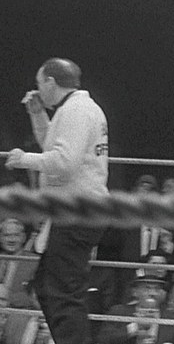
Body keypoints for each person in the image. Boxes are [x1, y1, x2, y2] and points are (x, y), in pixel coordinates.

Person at [4, 58, 108, 344]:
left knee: (63, 293)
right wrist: (37, 114)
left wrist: (24, 159)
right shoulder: (75, 109)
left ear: (50, 82)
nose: (37, 90)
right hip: (76, 212)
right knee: (47, 286)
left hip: (77, 213)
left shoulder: (76, 110)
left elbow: (64, 163)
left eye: (39, 84)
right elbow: (53, 146)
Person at [96, 274, 174, 344]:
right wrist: (135, 327)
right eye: (147, 288)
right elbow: (103, 339)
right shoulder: (119, 312)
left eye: (157, 289)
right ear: (135, 292)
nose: (152, 293)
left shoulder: (173, 318)